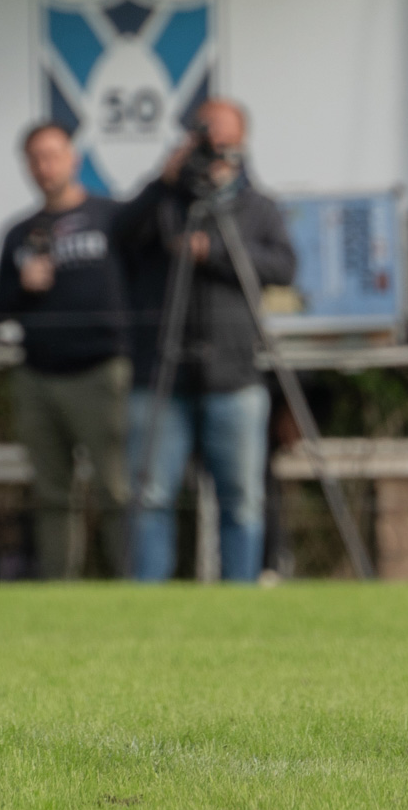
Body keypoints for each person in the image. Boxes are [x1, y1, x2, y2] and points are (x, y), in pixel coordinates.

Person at [112, 100, 296, 583]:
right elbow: (117, 235)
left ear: (242, 145)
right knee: (150, 496)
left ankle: (240, 600)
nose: (215, 150)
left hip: (234, 377)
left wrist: (212, 250)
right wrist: (162, 182)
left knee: (242, 499)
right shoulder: (165, 202)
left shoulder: (257, 207)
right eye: (205, 139)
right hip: (160, 375)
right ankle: (147, 601)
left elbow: (283, 267)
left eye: (224, 141)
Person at [0, 122, 130, 579]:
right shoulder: (19, 233)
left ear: (74, 158)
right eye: (36, 159)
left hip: (102, 372)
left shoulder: (113, 217)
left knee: (117, 490)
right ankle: (58, 589)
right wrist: (24, 285)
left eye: (53, 155)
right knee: (52, 493)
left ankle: (134, 585)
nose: (45, 166)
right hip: (38, 375)